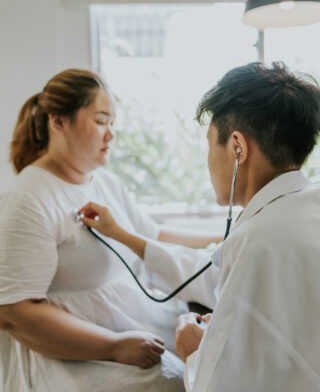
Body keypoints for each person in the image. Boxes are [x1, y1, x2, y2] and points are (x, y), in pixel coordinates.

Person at [78, 62, 320, 392]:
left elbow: (220, 384)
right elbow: (209, 274)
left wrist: (195, 351)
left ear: (238, 147)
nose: (208, 160)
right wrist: (121, 234)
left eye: (209, 144)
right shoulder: (302, 208)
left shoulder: (258, 241)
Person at [0, 69, 222, 392]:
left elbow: (153, 235)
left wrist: (221, 243)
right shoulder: (28, 199)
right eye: (101, 121)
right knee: (174, 384)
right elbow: (13, 313)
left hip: (132, 329)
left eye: (112, 123)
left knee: (206, 367)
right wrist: (114, 345)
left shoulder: (105, 183)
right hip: (70, 355)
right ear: (58, 121)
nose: (111, 135)